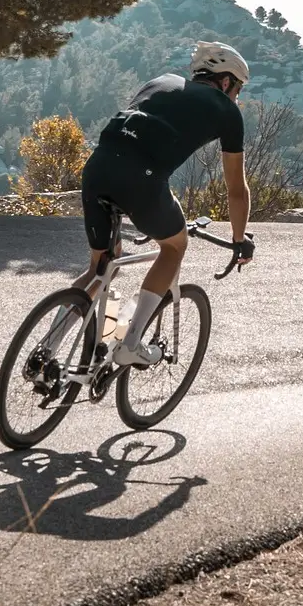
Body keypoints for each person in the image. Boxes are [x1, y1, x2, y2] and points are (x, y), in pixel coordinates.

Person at [63, 41, 257, 368]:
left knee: (101, 267)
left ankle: (47, 347)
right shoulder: (227, 111)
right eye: (238, 89)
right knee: (174, 246)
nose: (237, 96)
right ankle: (131, 342)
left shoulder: (161, 81)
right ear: (226, 82)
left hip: (97, 167)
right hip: (142, 180)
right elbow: (236, 190)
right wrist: (239, 239)